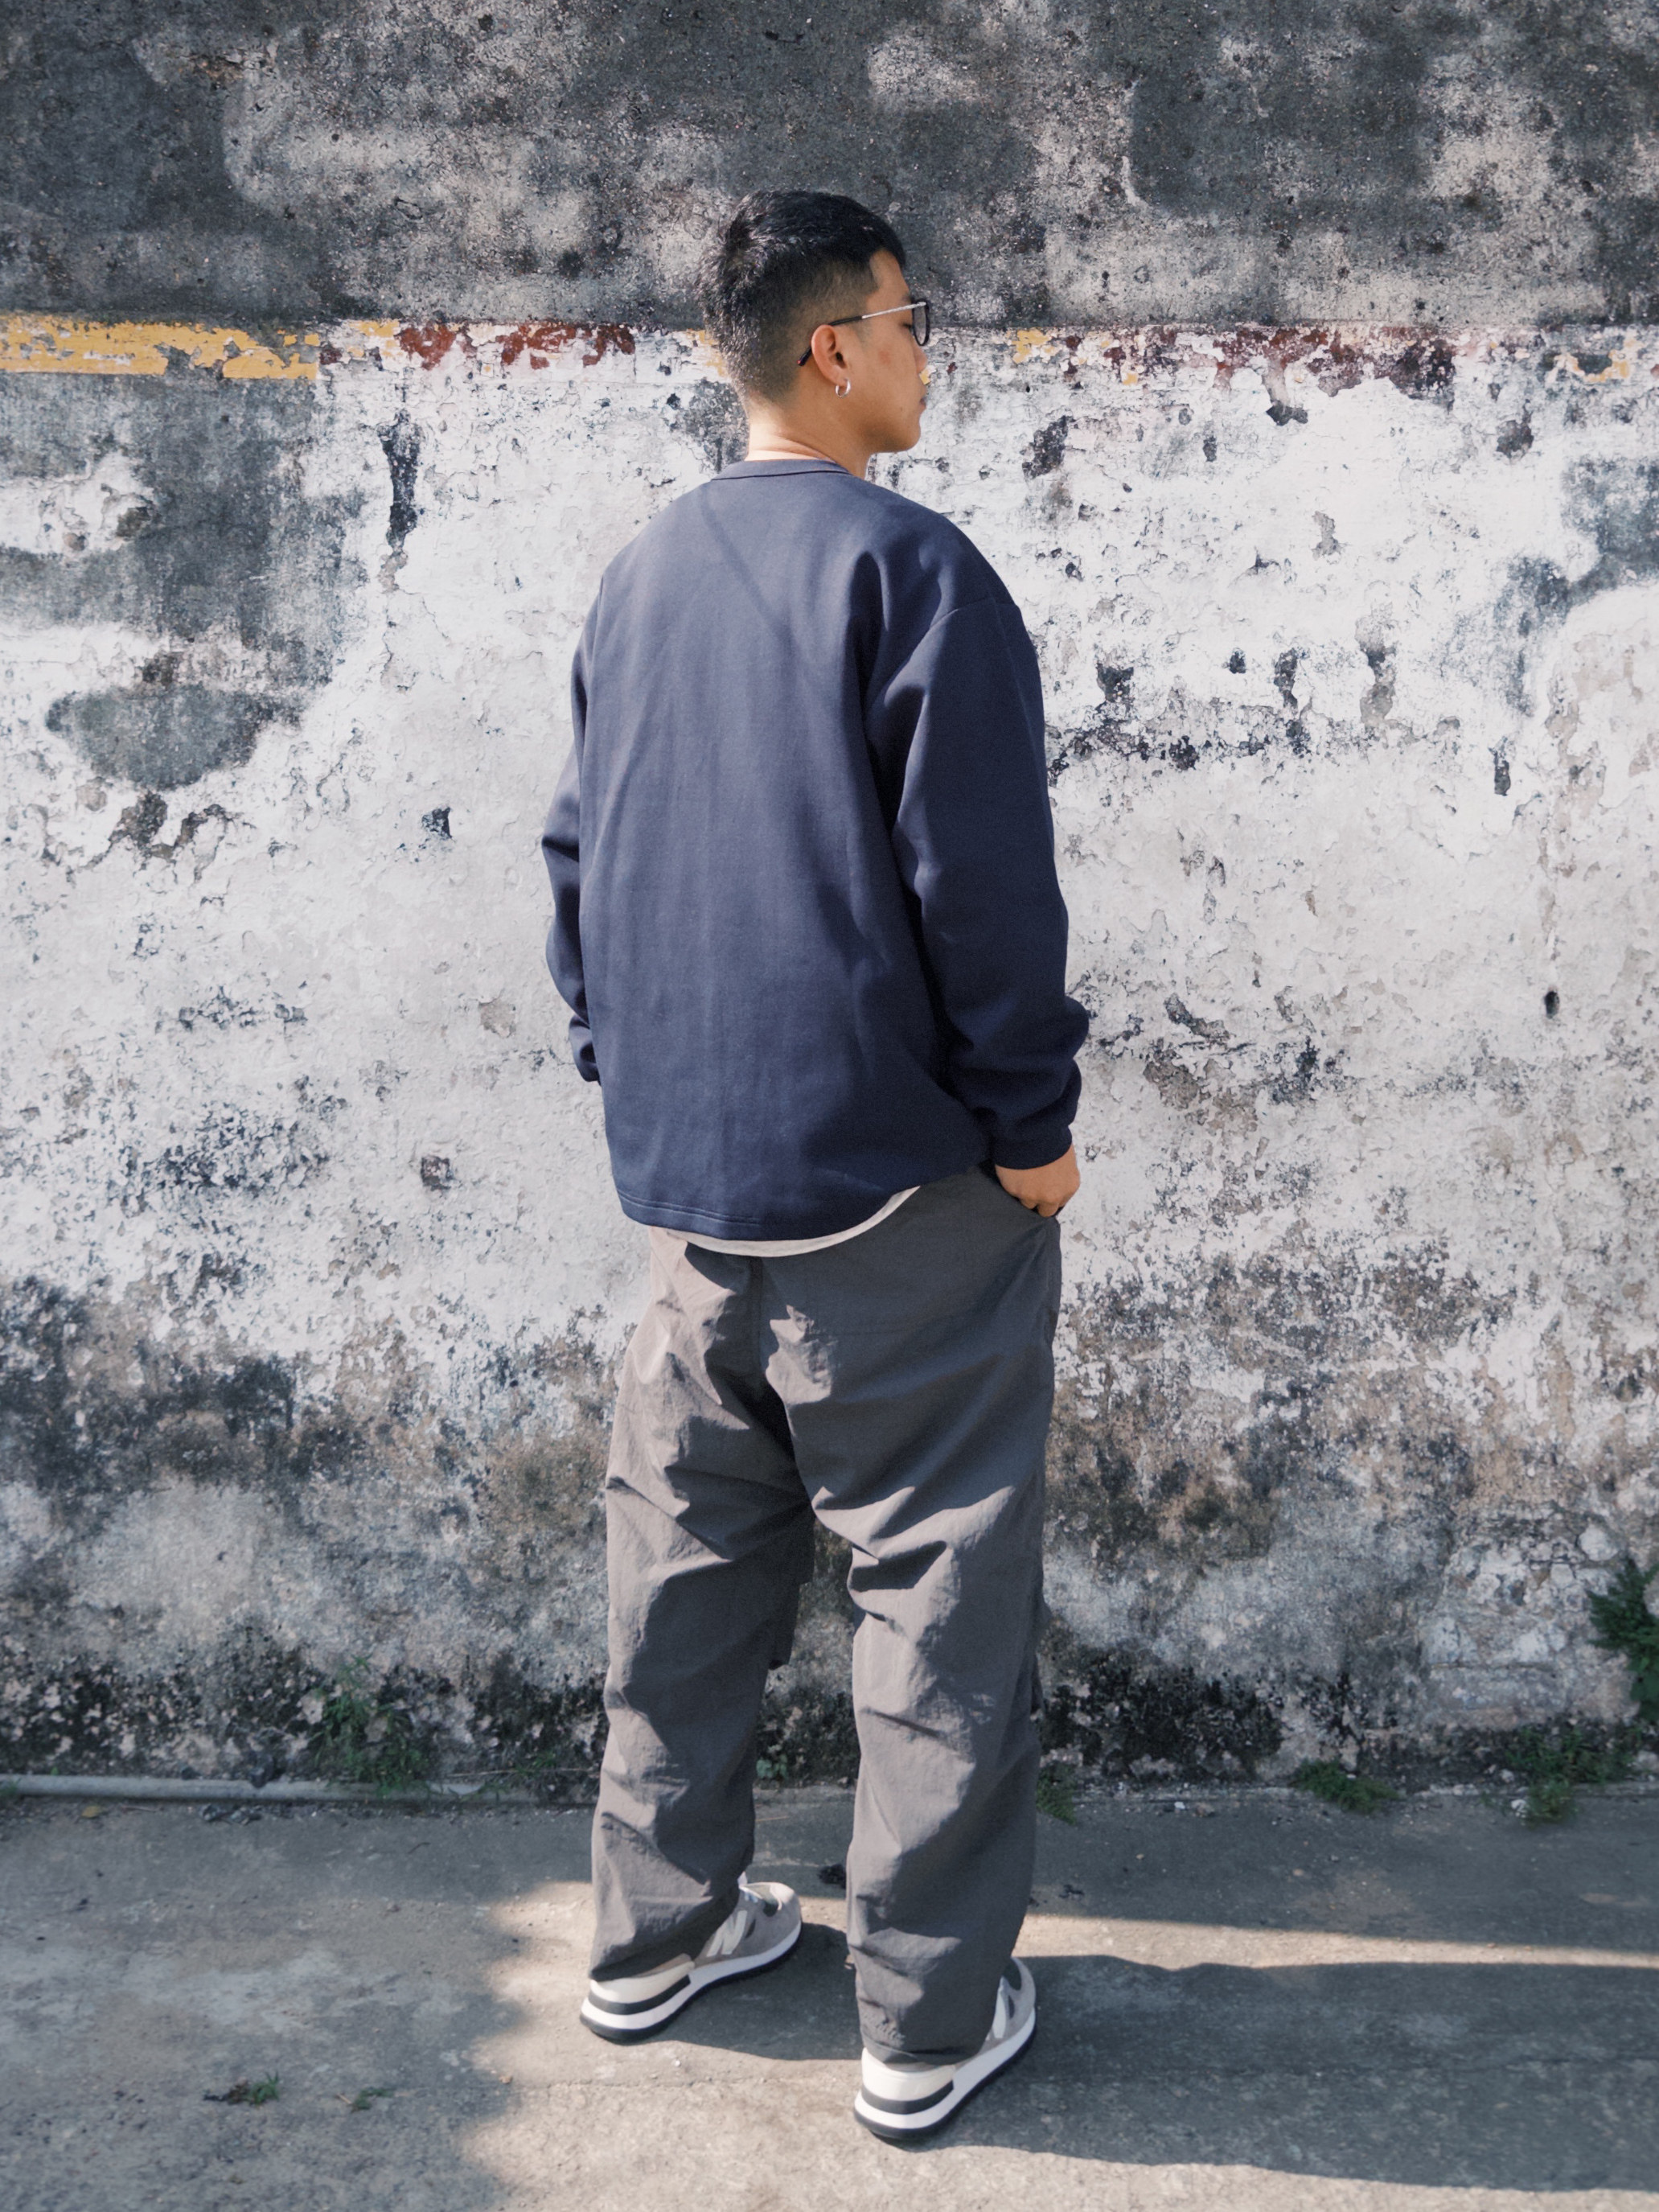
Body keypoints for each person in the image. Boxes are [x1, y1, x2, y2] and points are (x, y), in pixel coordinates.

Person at [540, 189, 1088, 2142]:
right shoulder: (915, 571)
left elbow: (578, 865)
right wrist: (1034, 1130)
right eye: (914, 320)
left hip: (693, 1192)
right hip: (897, 1196)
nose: (931, 354)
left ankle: (654, 1932)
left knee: (684, 1566)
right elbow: (984, 897)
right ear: (837, 345)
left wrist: (631, 1077)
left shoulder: (640, 577)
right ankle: (926, 2018)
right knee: (936, 1588)